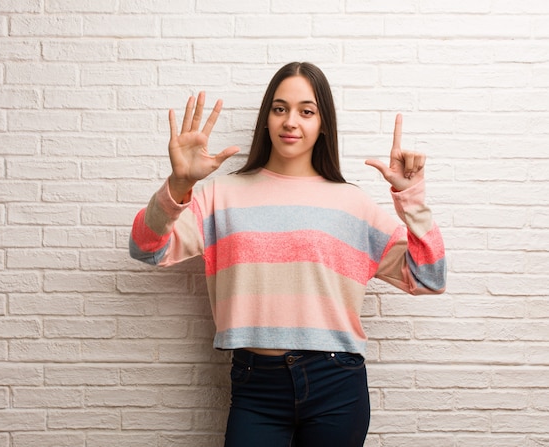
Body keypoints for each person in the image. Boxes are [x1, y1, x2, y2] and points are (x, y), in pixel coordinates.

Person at [129, 62, 446, 447]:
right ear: (266, 118)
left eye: (306, 111)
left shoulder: (352, 204)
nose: (290, 121)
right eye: (279, 109)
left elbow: (429, 278)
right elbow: (147, 248)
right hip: (255, 385)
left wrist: (411, 201)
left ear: (323, 123)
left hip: (337, 383)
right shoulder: (220, 195)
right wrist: (179, 184)